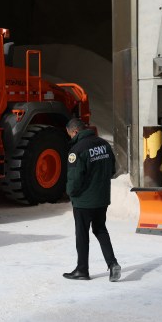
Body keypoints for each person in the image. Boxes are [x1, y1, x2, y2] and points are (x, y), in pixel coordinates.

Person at [62, 118, 121, 282]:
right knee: (100, 229)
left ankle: (82, 270)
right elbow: (112, 170)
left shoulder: (77, 150)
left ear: (74, 132)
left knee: (82, 234)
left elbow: (74, 179)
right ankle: (112, 263)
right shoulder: (104, 144)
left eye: (70, 134)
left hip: (83, 201)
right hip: (102, 199)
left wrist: (71, 193)